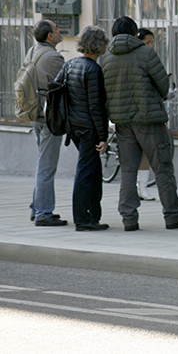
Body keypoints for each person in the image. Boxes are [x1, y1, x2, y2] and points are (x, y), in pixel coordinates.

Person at [101, 16, 178, 231]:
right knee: (163, 169)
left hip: (122, 123)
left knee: (128, 171)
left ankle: (129, 218)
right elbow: (162, 85)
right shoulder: (146, 53)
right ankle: (172, 216)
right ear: (134, 34)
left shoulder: (106, 58)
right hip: (149, 120)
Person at [56, 26, 110, 231]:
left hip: (74, 127)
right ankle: (82, 219)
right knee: (86, 172)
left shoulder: (70, 65)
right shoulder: (93, 70)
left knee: (93, 170)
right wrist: (103, 137)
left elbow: (57, 89)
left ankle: (92, 215)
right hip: (89, 128)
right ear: (100, 45)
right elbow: (96, 106)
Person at [28, 20, 67, 226]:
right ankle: (43, 212)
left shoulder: (32, 51)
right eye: (57, 29)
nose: (60, 31)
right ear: (50, 36)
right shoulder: (53, 57)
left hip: (36, 114)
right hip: (49, 118)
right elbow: (64, 86)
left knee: (43, 162)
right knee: (47, 165)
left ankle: (37, 207)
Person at [134, 27, 157, 201]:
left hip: (146, 111)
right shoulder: (135, 58)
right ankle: (135, 188)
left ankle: (142, 187)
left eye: (151, 42)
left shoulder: (152, 58)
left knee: (146, 152)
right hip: (135, 111)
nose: (150, 45)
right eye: (146, 42)